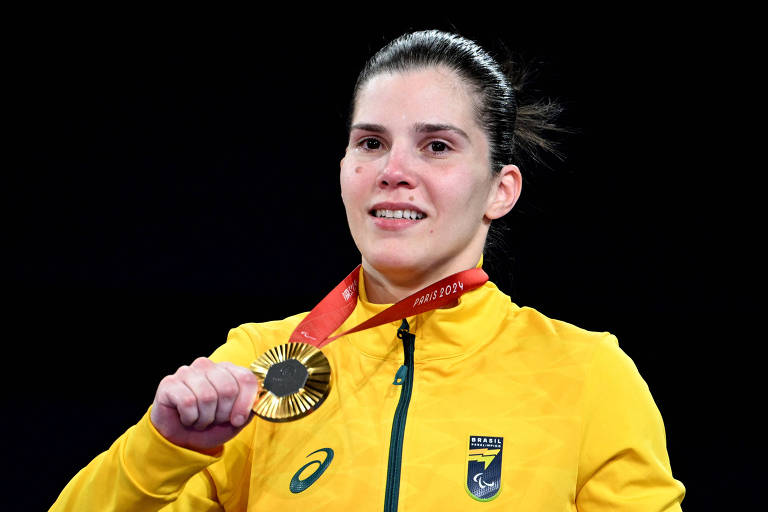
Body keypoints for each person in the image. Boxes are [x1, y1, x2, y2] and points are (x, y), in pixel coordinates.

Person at [51, 30, 685, 511]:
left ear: (501, 190)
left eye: (436, 146)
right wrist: (164, 445)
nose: (393, 171)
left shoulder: (587, 376)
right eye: (371, 143)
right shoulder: (256, 367)